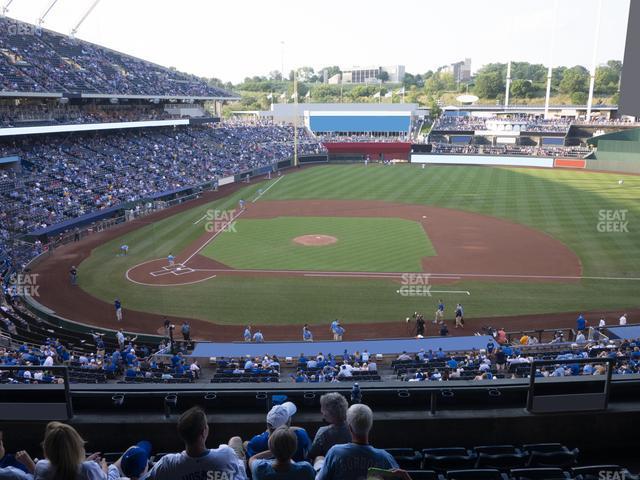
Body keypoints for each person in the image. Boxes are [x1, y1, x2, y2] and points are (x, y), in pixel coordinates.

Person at [143, 407, 246, 480]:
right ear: (204, 431)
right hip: (233, 463)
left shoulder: (167, 464)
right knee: (235, 440)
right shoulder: (226, 454)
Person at [316, 404, 398, 480]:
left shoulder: (335, 452)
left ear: (350, 428)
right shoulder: (385, 458)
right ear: (370, 426)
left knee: (319, 459)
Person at [33, 422, 106, 480]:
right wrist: (104, 467)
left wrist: (84, 463)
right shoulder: (89, 469)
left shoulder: (40, 466)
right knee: (114, 467)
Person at [245, 402, 310, 463]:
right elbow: (308, 455)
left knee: (245, 444)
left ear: (267, 424)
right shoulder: (301, 435)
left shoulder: (256, 442)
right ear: (288, 422)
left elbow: (251, 463)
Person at [248, 427, 314, 480]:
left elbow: (252, 458)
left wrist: (274, 450)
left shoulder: (259, 468)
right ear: (295, 448)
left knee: (246, 444)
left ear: (270, 446)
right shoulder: (306, 469)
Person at [308, 393, 351, 464]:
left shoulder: (323, 432)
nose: (321, 411)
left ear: (328, 414)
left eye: (323, 408)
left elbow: (312, 454)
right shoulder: (353, 429)